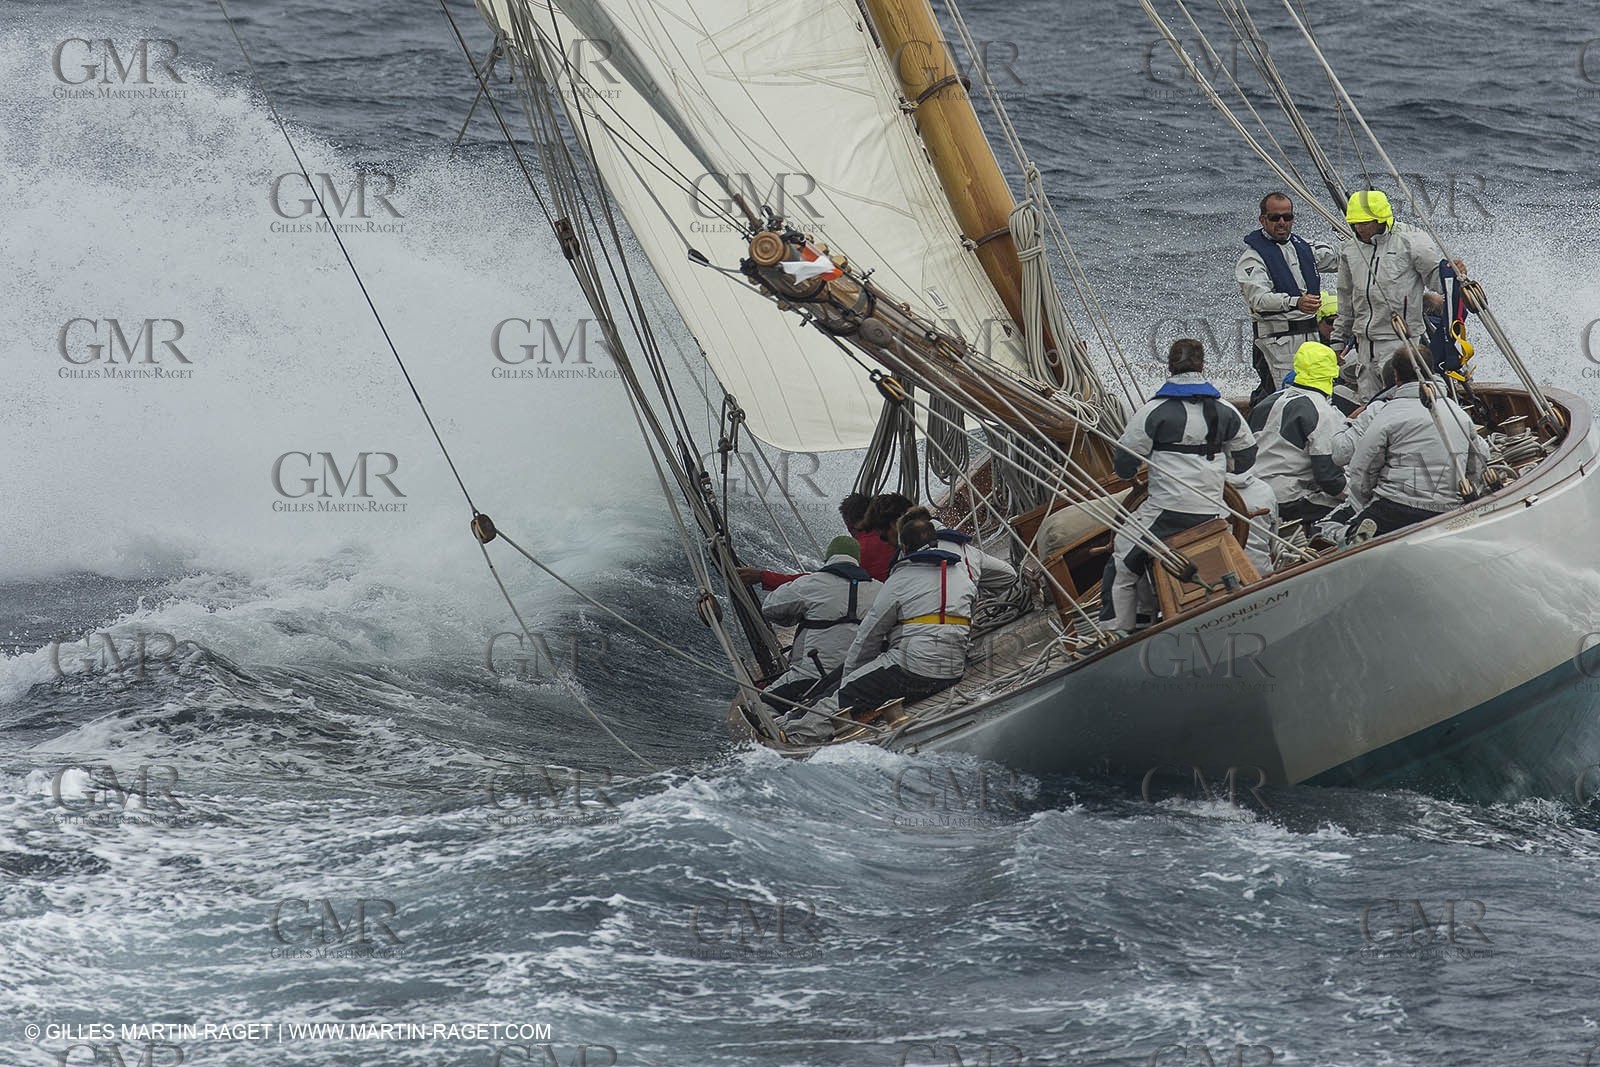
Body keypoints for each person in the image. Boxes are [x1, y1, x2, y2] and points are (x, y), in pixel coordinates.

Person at [1107, 339, 1256, 632]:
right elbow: (1246, 457)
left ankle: (1119, 633)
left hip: (1167, 514)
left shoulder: (1153, 411)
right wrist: (1218, 466)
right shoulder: (1227, 410)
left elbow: (1124, 464)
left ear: (1169, 367)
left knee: (1123, 561)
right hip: (1212, 511)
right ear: (1203, 367)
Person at [1329, 189, 1467, 403]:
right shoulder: (1350, 250)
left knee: (1402, 402)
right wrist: (1337, 343)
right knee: (1369, 405)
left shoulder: (1412, 242)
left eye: (1364, 223)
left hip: (1401, 344)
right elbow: (1346, 301)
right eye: (1355, 223)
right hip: (1364, 347)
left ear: (1381, 219)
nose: (1359, 228)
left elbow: (1437, 282)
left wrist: (1454, 272)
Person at [1345, 350, 1489, 537]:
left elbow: (1362, 468)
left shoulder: (1387, 415)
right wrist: (1468, 494)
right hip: (1448, 510)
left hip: (1394, 509)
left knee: (1335, 528)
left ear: (1395, 376)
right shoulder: (1457, 413)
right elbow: (1479, 461)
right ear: (1430, 371)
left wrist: (1364, 504)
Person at [1237, 191, 1339, 405]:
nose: (1282, 222)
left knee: (1318, 394)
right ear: (1262, 220)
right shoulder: (1252, 259)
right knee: (1281, 399)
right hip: (1277, 343)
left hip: (1310, 339)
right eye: (1275, 218)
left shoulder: (1305, 248)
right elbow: (1259, 300)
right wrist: (1295, 302)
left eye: (1287, 217)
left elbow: (1339, 260)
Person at [755, 535, 879, 711]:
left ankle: (782, 733)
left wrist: (795, 617)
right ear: (857, 561)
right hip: (860, 678)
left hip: (812, 678)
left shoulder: (810, 583)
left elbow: (770, 607)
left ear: (828, 558)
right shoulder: (880, 589)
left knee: (761, 706)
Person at [1247, 341, 1348, 526]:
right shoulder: (1322, 411)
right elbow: (1328, 478)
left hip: (1253, 496)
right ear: (1332, 374)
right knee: (1350, 505)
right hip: (1288, 501)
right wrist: (1359, 493)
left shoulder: (1268, 401)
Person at [738, 491, 894, 589]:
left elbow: (819, 582)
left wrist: (762, 576)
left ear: (848, 523)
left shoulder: (859, 550)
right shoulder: (896, 540)